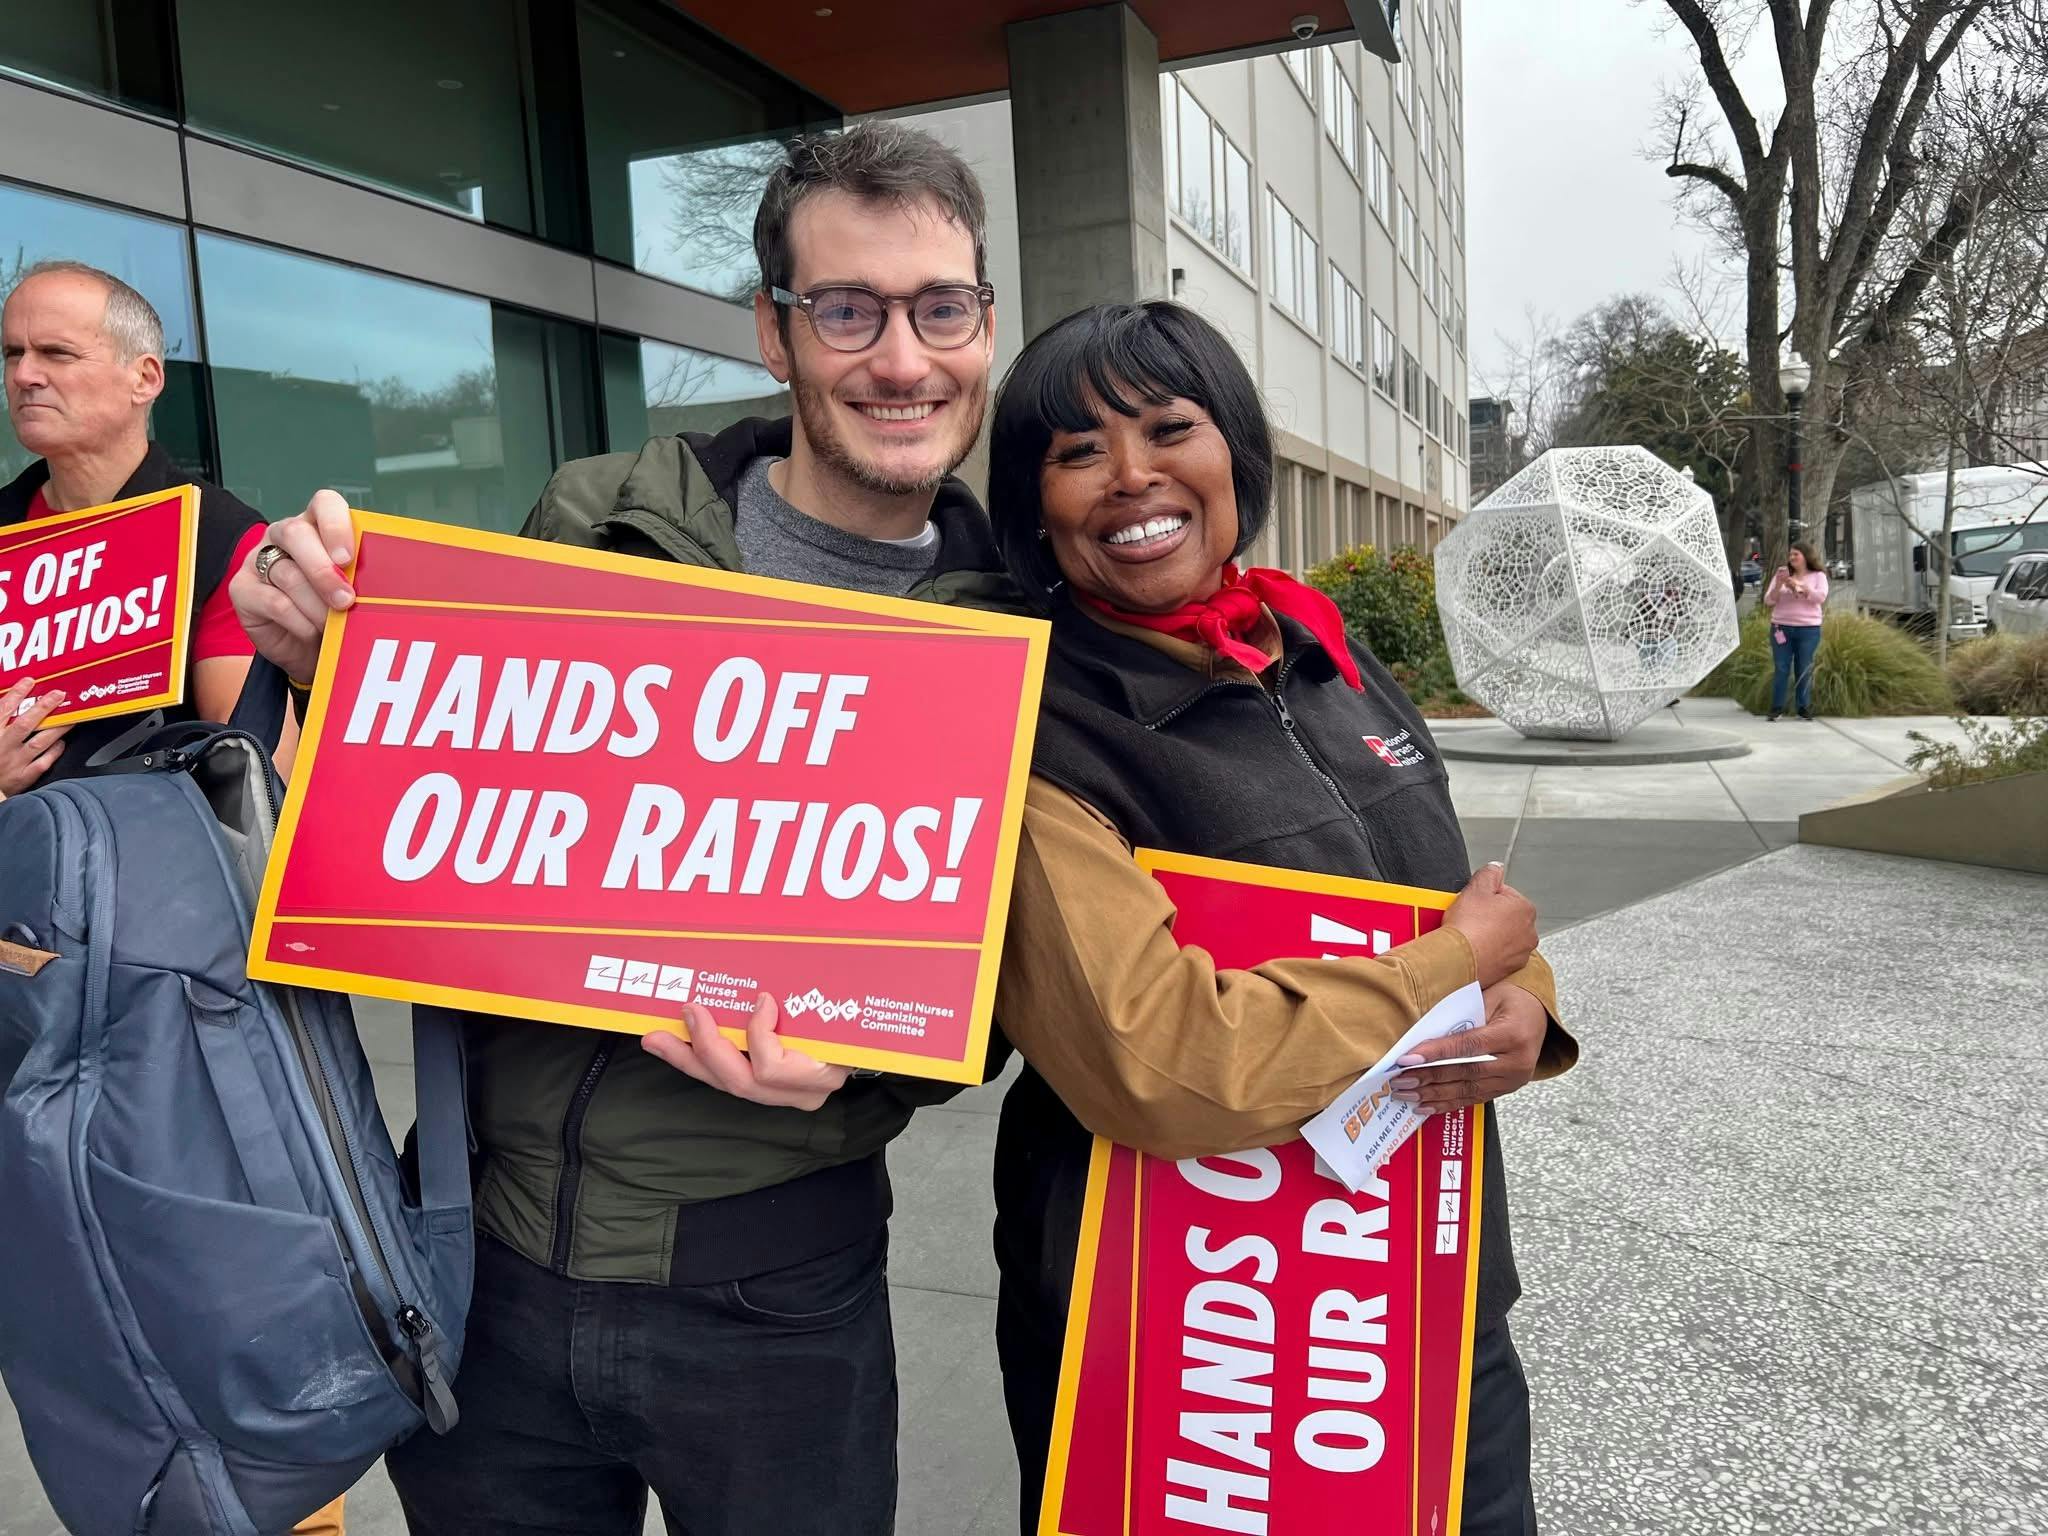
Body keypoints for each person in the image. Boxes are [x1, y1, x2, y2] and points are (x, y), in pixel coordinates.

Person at [230, 122, 1011, 1535]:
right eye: (848, 308)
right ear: (776, 335)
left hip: (779, 1301)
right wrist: (321, 668)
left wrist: (871, 1069)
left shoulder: (1017, 629)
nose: (901, 358)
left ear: (983, 322)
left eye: (936, 307)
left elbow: (1009, 985)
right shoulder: (598, 523)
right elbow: (441, 814)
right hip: (480, 1263)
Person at [981, 302, 1579, 1534]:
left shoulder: (1324, 655)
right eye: (1077, 450)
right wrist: (1451, 966)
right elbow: (1162, 1061)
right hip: (1192, 1353)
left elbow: (1456, 910)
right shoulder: (1036, 731)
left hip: (1416, 1291)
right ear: (1033, 505)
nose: (1133, 476)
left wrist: (1524, 1010)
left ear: (1234, 452)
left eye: (1168, 427)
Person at [0, 260, 283, 796]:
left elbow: (250, 780)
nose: (23, 376)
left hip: (150, 866)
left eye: (56, 353)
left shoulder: (219, 537)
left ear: (146, 378)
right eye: (13, 353)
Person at [1764, 540, 1829, 721]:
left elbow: (1820, 597)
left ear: (1805, 557)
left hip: (1808, 630)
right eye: (1790, 554)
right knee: (1781, 667)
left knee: (1804, 668)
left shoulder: (1818, 576)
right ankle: (1777, 707)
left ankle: (1803, 707)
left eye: (1796, 554)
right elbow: (1769, 601)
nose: (1792, 557)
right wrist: (1779, 585)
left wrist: (1800, 586)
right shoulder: (1782, 575)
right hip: (1781, 628)